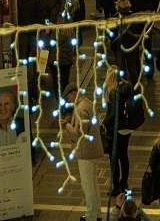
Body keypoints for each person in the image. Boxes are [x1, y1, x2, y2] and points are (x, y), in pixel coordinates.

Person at [66, 90, 103, 221]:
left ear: (74, 93)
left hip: (85, 152)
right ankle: (97, 214)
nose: (68, 100)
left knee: (88, 187)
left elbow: (80, 132)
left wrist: (67, 125)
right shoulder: (87, 103)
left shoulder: (81, 109)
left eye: (68, 96)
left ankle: (90, 216)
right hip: (92, 150)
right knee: (93, 184)